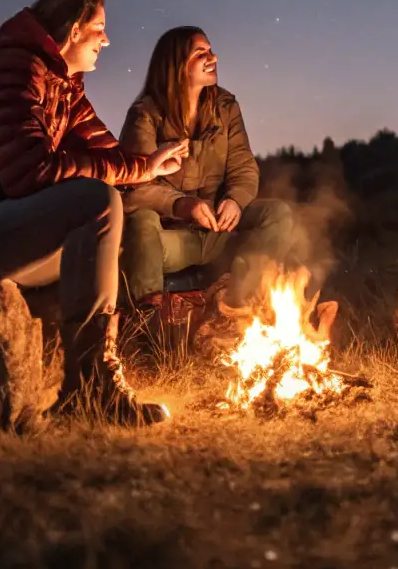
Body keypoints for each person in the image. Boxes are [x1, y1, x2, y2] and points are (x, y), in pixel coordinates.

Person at [0, 0, 186, 425]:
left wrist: (148, 166)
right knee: (96, 202)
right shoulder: (10, 73)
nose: (106, 40)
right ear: (73, 30)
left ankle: (85, 382)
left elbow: (106, 152)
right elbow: (30, 173)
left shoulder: (63, 86)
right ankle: (93, 386)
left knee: (109, 228)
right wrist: (123, 173)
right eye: (99, 29)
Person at [119, 26, 292, 344]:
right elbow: (135, 186)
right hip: (171, 239)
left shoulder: (225, 108)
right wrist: (182, 205)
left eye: (210, 50)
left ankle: (237, 311)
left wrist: (235, 200)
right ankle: (153, 337)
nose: (213, 57)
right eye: (201, 53)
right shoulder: (145, 115)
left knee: (276, 213)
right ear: (176, 65)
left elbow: (243, 166)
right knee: (141, 222)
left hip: (217, 230)